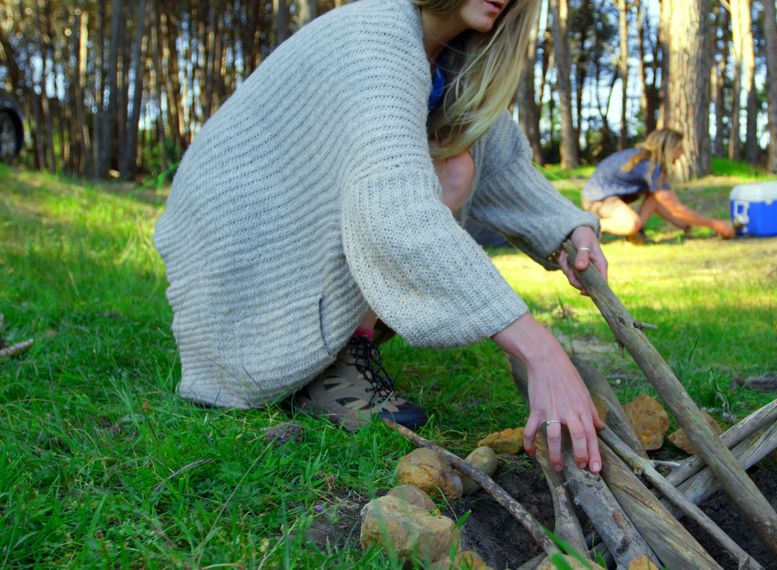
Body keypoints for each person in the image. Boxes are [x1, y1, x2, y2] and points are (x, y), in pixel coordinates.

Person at [154, 0, 607, 474]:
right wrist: (539, 349)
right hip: (238, 232)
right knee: (438, 175)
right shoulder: (381, 32)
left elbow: (504, 163)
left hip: (273, 219)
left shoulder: (451, 58)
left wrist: (569, 228)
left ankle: (343, 347)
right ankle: (333, 363)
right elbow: (392, 210)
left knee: (457, 161)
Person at [582, 129, 736, 243]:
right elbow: (676, 208)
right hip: (597, 200)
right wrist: (715, 224)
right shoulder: (650, 167)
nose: (681, 153)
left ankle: (634, 234)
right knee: (631, 224)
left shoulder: (645, 159)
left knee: (653, 199)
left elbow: (659, 202)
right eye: (679, 148)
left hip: (607, 196)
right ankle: (590, 226)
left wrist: (684, 225)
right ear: (668, 149)